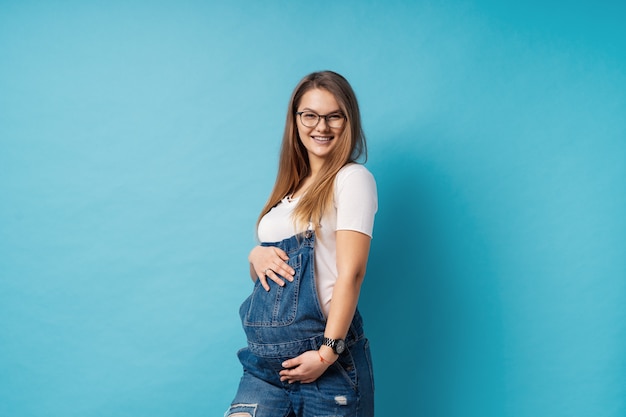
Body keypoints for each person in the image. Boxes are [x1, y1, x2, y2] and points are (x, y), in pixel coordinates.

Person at [225, 71, 377, 417]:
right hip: (264, 367)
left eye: (334, 116)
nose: (321, 127)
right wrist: (256, 254)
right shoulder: (289, 192)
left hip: (326, 364)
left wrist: (327, 353)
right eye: (310, 115)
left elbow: (351, 273)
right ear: (295, 120)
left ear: (348, 120)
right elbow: (269, 279)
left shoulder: (352, 179)